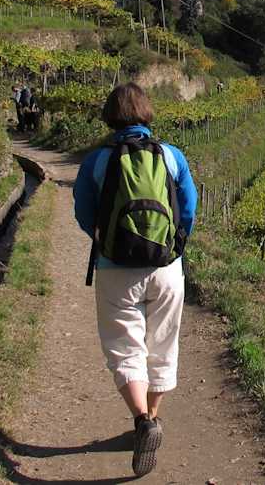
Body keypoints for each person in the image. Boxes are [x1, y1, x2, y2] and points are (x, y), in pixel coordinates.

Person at [72, 83, 197, 477]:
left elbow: (82, 213)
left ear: (109, 117)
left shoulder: (97, 161)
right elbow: (190, 207)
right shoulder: (171, 156)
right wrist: (175, 244)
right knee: (161, 345)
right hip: (166, 268)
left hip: (115, 270)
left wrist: (105, 239)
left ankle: (142, 420)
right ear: (147, 113)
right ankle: (153, 417)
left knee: (125, 348)